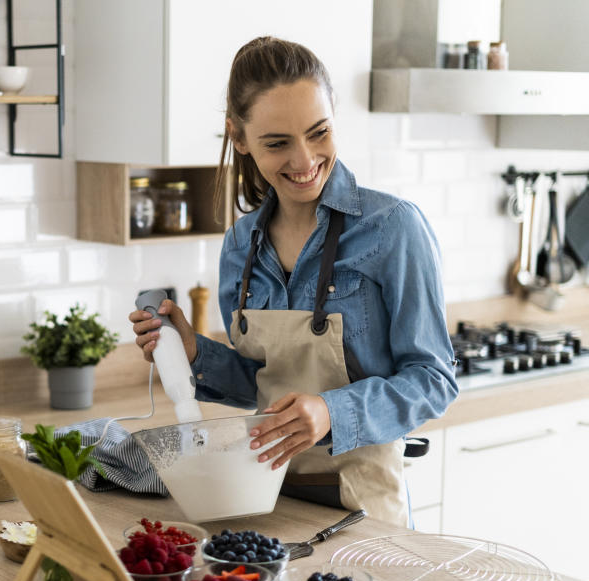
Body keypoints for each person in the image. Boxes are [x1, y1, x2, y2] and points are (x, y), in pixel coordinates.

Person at [128, 37, 458, 527]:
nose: (304, 161)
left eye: (318, 132)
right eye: (277, 143)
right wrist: (197, 353)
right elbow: (264, 386)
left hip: (364, 508)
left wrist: (330, 413)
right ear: (238, 138)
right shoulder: (240, 245)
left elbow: (434, 381)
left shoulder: (393, 228)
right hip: (265, 499)